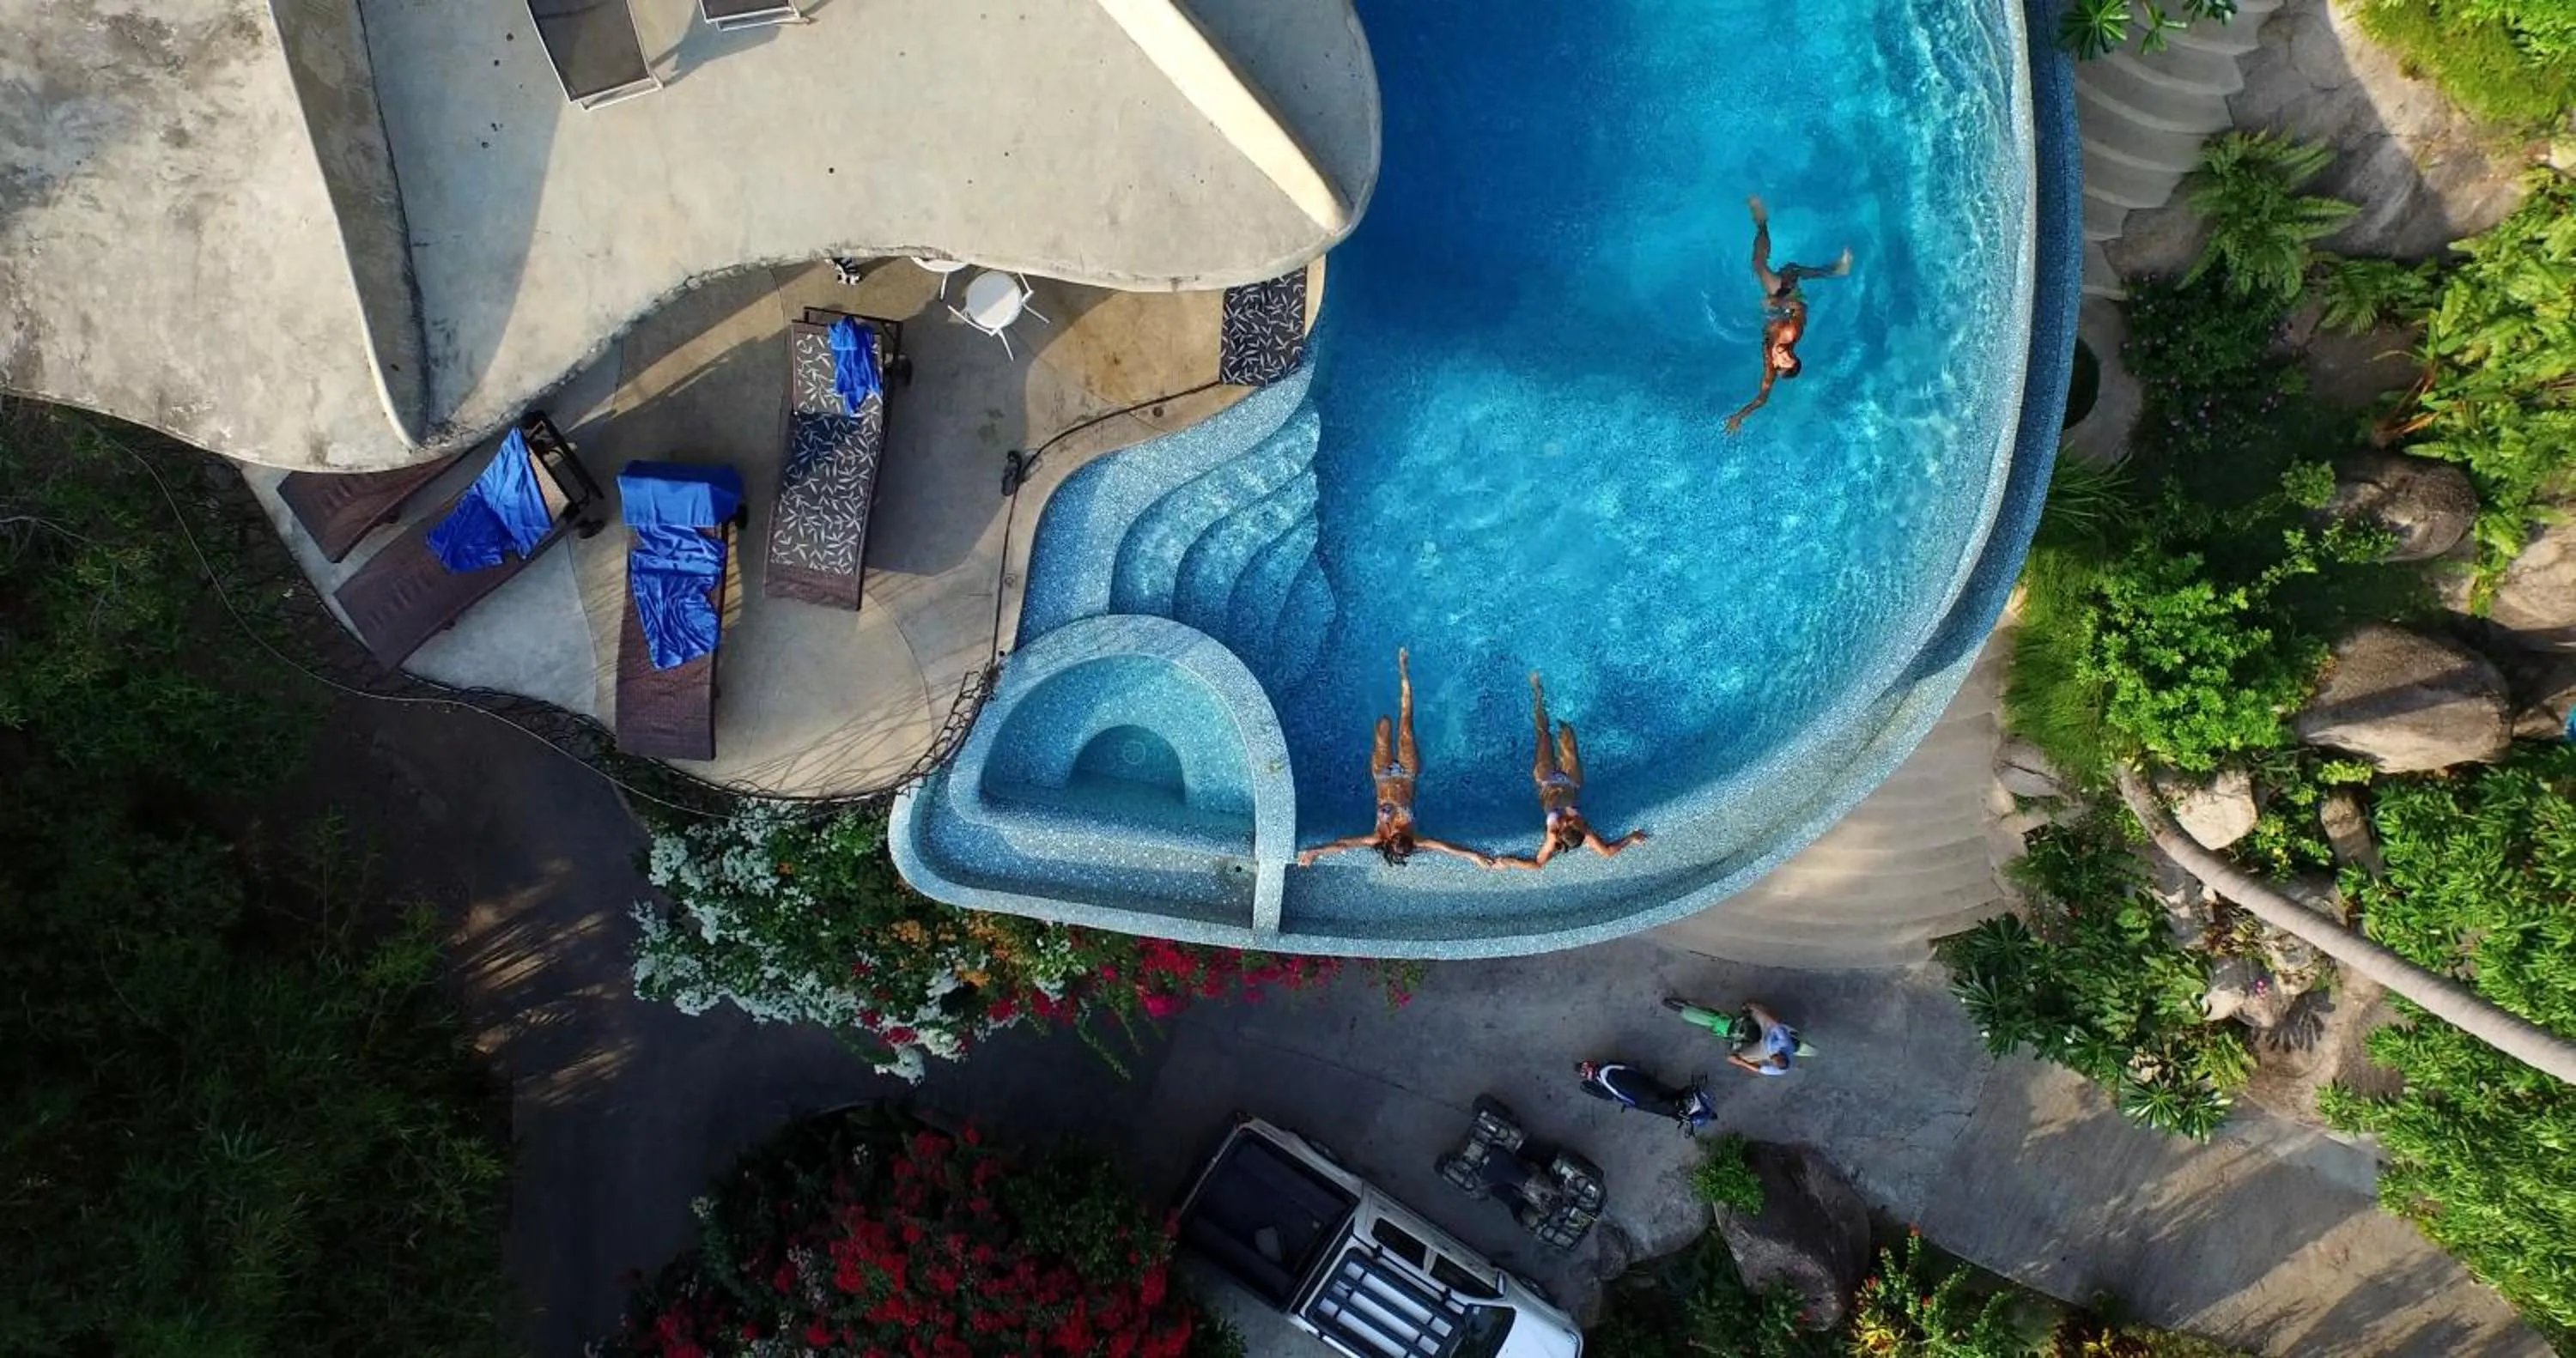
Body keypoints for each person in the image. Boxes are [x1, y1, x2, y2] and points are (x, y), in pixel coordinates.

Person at [1297, 648, 1495, 868]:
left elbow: (1344, 844)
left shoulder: (1378, 835)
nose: (1400, 831)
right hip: (1408, 775)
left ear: (1390, 841)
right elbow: (1446, 847)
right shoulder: (1417, 839)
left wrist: (1316, 852)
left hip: (1382, 775)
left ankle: (1372, 696)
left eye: (1396, 836)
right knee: (1406, 727)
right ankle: (1403, 671)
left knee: (1383, 726)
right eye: (1404, 835)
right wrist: (1474, 856)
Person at [1724, 196, 1853, 435]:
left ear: (1777, 367)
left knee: (1791, 269)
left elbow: (1763, 398)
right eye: (1791, 356)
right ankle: (1761, 221)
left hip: (1777, 309)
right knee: (1759, 265)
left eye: (1783, 362)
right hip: (1789, 302)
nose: (1785, 355)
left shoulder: (1769, 366)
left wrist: (1739, 417)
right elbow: (1801, 309)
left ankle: (1837, 269)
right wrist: (1778, 301)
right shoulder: (1790, 333)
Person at [1501, 672, 1646, 870]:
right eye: (1577, 821)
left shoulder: (1552, 836)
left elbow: (1537, 864)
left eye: (1569, 821)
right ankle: (1563, 697)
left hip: (1546, 781)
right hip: (1571, 781)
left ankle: (1537, 692)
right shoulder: (1584, 830)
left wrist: (1510, 861)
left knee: (1543, 735)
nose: (1572, 818)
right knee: (1568, 732)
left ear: (1561, 830)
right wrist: (1631, 838)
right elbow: (1607, 852)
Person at [1725, 1002, 1801, 1076]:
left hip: (1765, 1050)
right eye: (1778, 1056)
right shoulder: (1784, 1042)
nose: (1774, 1057)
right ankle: (1753, 1008)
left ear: (1774, 1065)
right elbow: (1775, 1023)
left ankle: (1746, 1049)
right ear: (1782, 1055)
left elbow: (1758, 1069)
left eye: (1774, 1060)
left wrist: (1740, 1062)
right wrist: (1756, 1009)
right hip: (1770, 1032)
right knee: (1757, 1010)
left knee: (1740, 1057)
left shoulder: (1779, 1071)